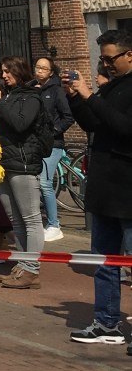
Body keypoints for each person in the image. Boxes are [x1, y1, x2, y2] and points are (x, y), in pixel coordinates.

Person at [65, 31, 132, 346]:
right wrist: (75, 98)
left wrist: (90, 95)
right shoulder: (112, 87)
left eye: (110, 59)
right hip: (105, 190)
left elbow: (125, 127)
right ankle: (106, 323)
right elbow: (94, 124)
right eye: (102, 59)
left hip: (128, 191)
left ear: (129, 55)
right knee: (103, 261)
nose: (105, 64)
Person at [0, 56, 47, 289]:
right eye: (3, 71)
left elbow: (20, 124)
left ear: (20, 72)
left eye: (8, 71)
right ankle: (22, 264)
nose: (4, 75)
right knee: (16, 219)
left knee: (30, 218)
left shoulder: (32, 97)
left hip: (23, 163)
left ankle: (32, 269)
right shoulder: (8, 96)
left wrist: (0, 102)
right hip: (5, 163)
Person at [32, 55, 73, 241]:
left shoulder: (56, 90)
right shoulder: (33, 88)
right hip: (36, 143)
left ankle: (54, 225)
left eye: (43, 68)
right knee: (36, 182)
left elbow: (68, 117)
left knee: (45, 183)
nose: (39, 71)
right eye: (37, 67)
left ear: (51, 72)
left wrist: (54, 131)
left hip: (53, 143)